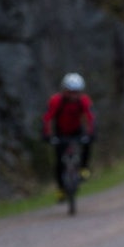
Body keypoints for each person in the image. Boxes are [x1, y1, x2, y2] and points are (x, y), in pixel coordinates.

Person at [43, 72, 96, 200]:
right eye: (70, 91)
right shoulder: (56, 101)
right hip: (60, 131)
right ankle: (61, 189)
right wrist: (48, 135)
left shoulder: (83, 101)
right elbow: (48, 118)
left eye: (76, 92)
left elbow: (89, 117)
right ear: (64, 90)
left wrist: (91, 133)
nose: (73, 95)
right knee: (59, 161)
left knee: (87, 144)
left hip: (77, 129)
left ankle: (84, 167)